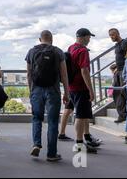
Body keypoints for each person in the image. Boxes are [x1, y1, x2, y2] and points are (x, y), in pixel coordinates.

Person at [26, 30, 69, 161]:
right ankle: (51, 154)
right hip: (53, 90)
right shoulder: (58, 52)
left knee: (37, 118)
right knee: (53, 122)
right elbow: (64, 74)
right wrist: (67, 92)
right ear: (52, 39)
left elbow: (28, 74)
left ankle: (36, 144)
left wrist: (31, 90)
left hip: (37, 89)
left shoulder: (32, 52)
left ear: (40, 39)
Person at [67, 28, 100, 154]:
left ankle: (85, 138)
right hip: (80, 87)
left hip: (71, 86)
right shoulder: (82, 51)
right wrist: (90, 90)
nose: (89, 40)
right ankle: (79, 144)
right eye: (89, 37)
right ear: (84, 37)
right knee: (80, 116)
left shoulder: (71, 48)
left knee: (83, 114)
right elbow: (84, 71)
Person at [109, 28, 127, 123]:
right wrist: (117, 68)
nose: (112, 37)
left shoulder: (125, 43)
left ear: (118, 33)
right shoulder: (116, 45)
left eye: (113, 35)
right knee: (116, 93)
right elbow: (119, 58)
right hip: (118, 71)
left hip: (125, 71)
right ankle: (122, 115)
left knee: (125, 92)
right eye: (110, 36)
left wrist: (125, 69)